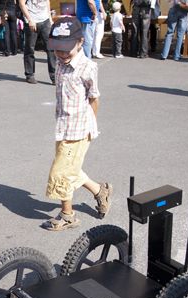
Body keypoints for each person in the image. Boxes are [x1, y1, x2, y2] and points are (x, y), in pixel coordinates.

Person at [42, 16, 112, 231]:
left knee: (61, 173)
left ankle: (68, 215)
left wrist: (90, 125)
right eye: (57, 49)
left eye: (66, 49)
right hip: (63, 126)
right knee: (70, 169)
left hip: (79, 129)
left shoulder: (88, 67)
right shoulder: (60, 64)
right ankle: (100, 191)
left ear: (80, 42)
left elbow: (94, 98)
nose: (61, 54)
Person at [18, 0, 55, 84]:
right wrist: (29, 19)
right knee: (30, 49)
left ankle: (54, 76)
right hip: (32, 21)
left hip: (45, 21)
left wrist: (49, 18)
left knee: (51, 48)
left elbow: (47, 2)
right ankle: (30, 75)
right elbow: (21, 3)